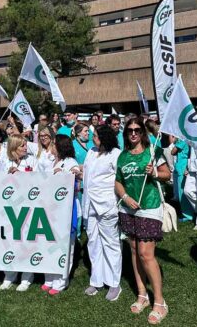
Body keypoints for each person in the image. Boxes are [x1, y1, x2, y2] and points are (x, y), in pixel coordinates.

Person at [115, 118, 171, 325]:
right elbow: (118, 181)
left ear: (143, 132)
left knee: (146, 254)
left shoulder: (152, 152)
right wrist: (125, 197)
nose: (133, 133)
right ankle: (142, 294)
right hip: (128, 207)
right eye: (129, 130)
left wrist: (155, 172)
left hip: (149, 205)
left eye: (137, 130)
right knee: (133, 250)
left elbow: (167, 174)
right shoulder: (122, 156)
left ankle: (160, 302)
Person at [82, 125, 122, 301]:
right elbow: (87, 174)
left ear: (105, 138)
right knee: (93, 242)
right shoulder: (91, 152)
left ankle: (114, 283)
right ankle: (96, 280)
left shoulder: (115, 154)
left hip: (107, 204)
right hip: (89, 204)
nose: (93, 138)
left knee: (111, 243)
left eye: (96, 136)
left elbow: (119, 179)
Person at [42, 134, 81, 295]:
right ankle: (49, 277)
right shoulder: (52, 162)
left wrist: (63, 173)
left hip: (67, 208)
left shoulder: (70, 162)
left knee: (65, 246)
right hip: (51, 208)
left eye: (53, 143)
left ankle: (61, 280)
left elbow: (77, 175)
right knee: (50, 243)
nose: (51, 146)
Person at [0, 135, 38, 292]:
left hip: (28, 207)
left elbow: (39, 180)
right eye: (22, 145)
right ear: (14, 148)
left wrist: (22, 174)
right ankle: (9, 275)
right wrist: (7, 175)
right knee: (10, 242)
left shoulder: (32, 160)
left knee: (27, 242)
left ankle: (26, 277)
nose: (25, 148)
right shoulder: (5, 162)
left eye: (25, 145)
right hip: (10, 207)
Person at [171, 137, 193, 222]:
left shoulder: (182, 140)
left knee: (182, 192)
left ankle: (188, 214)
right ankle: (188, 212)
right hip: (182, 167)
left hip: (182, 167)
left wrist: (175, 141)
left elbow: (172, 152)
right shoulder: (187, 139)